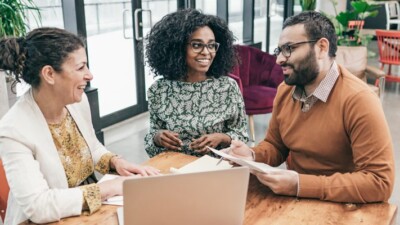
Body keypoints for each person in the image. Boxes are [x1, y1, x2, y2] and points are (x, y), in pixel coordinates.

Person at [223, 11, 394, 203]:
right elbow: (275, 145)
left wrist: (300, 185)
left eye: (289, 48)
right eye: (278, 51)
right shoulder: (285, 91)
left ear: (321, 48)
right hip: (296, 201)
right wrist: (252, 155)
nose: (279, 60)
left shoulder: (359, 100)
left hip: (345, 206)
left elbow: (380, 182)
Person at [0, 27, 160, 224]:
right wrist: (110, 188)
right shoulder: (13, 130)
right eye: (80, 67)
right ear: (49, 74)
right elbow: (39, 206)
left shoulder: (78, 102)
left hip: (88, 211)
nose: (90, 75)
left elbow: (91, 147)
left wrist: (115, 162)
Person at [144, 9, 249, 157]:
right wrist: (157, 138)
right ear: (177, 48)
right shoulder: (159, 90)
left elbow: (243, 137)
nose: (207, 52)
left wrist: (222, 138)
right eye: (196, 45)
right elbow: (151, 139)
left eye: (211, 45)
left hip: (215, 168)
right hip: (174, 168)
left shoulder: (227, 87)